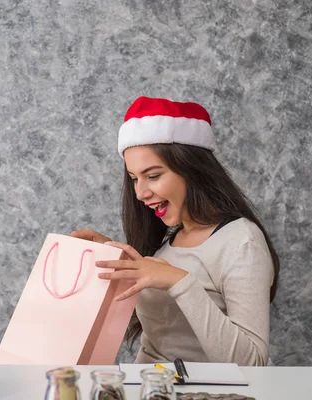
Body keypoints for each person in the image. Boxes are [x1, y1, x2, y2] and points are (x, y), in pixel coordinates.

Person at [71, 96, 279, 366]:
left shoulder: (242, 242)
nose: (141, 194)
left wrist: (181, 283)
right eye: (135, 179)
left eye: (153, 176)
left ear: (192, 170)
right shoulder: (169, 240)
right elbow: (160, 341)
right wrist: (112, 254)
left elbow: (251, 364)